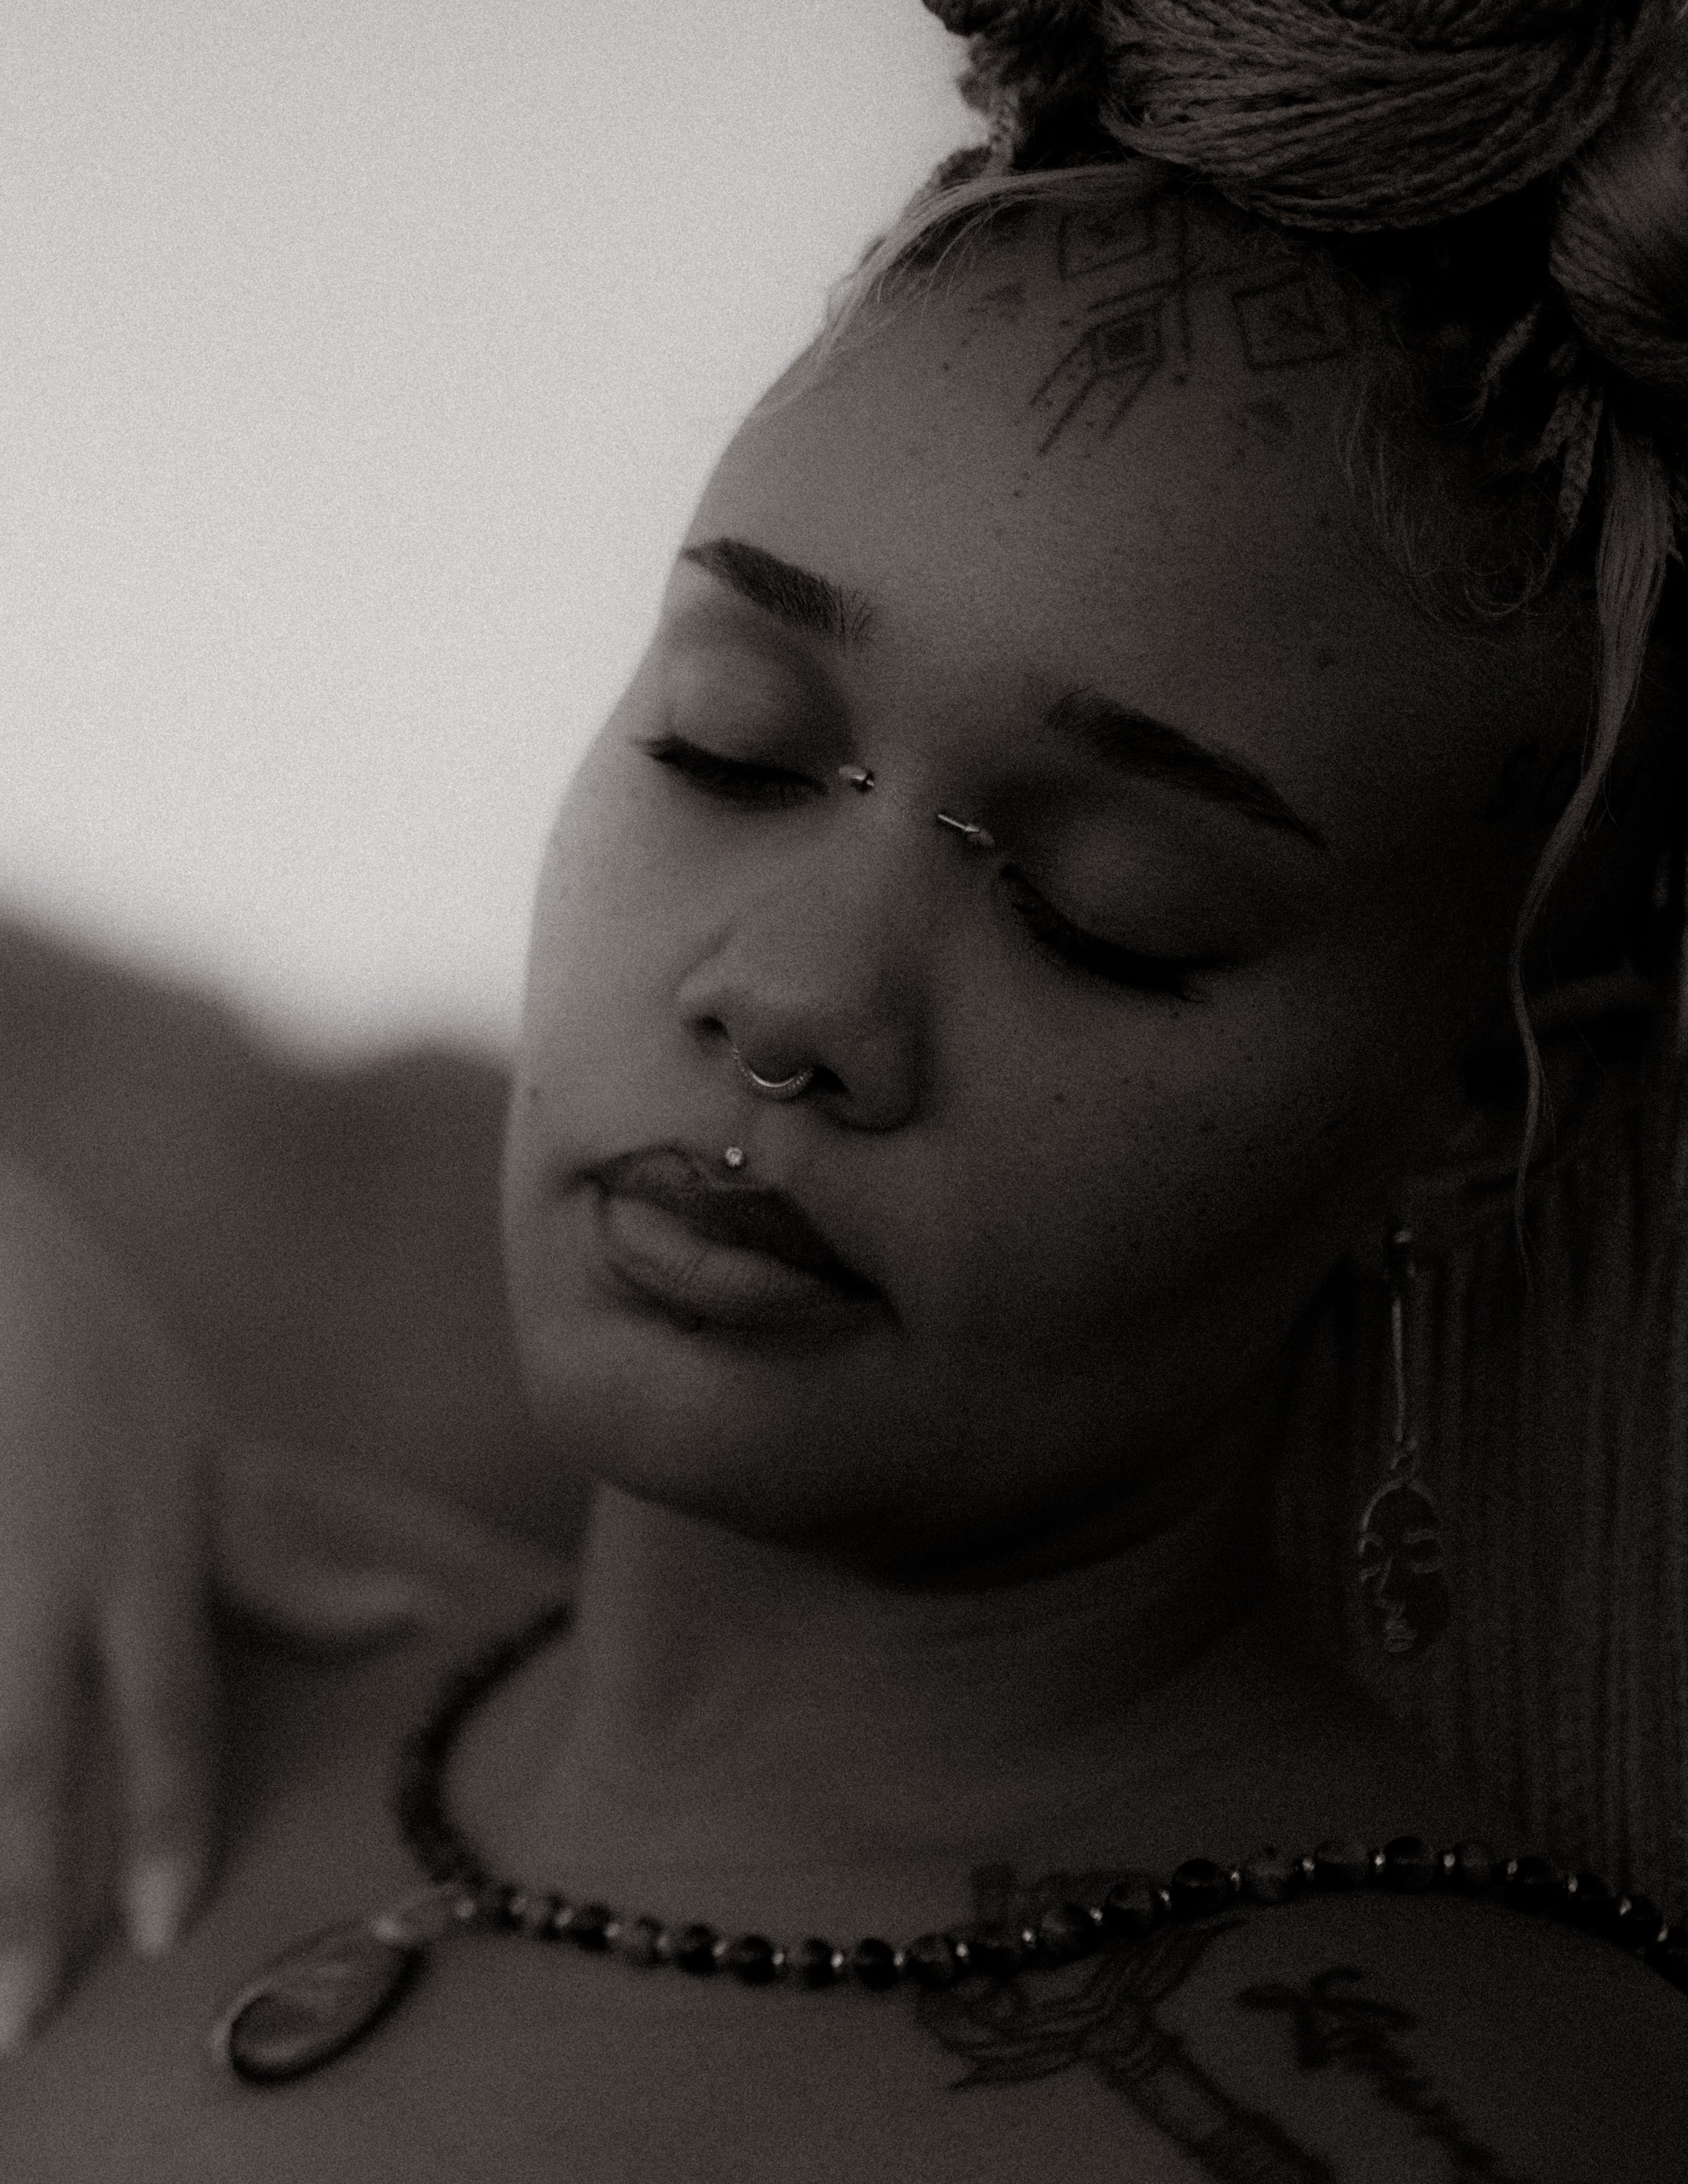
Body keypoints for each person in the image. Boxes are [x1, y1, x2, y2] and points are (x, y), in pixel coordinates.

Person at [3, 3, 1688, 2175]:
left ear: (1472, 1107)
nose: (793, 994)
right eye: (731, 741)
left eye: (1106, 905)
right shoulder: (124, 1664)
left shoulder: (1482, 2109)